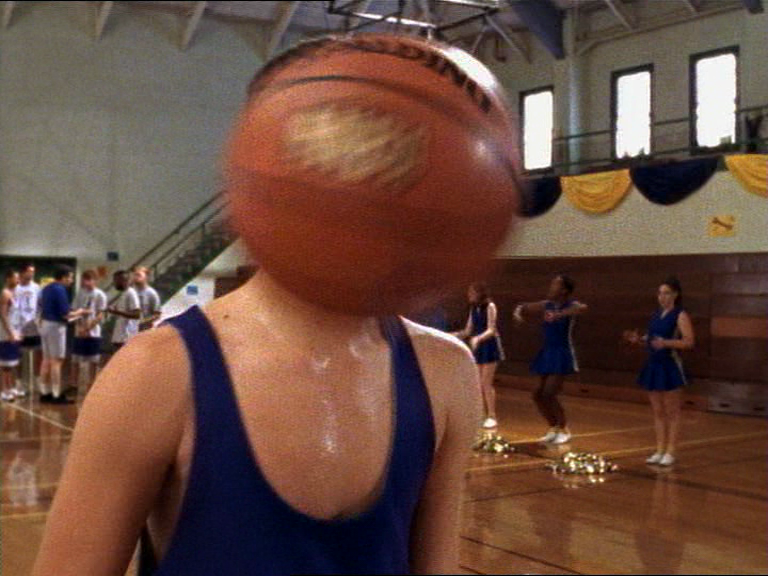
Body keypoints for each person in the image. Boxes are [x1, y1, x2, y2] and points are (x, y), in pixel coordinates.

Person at [624, 277, 694, 467]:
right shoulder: (656, 314)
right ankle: (660, 449)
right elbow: (652, 338)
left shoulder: (680, 314)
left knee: (672, 411)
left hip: (670, 365)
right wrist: (639, 339)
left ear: (675, 295)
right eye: (660, 293)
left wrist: (666, 343)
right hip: (653, 364)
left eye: (666, 293)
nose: (662, 297)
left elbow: (688, 341)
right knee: (658, 411)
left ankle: (671, 451)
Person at [514, 274, 588, 445]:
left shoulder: (571, 305)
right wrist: (518, 312)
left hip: (562, 352)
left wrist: (560, 314)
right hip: (547, 352)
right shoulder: (546, 304)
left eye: (556, 284)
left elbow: (582, 308)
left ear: (564, 290)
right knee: (537, 394)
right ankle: (553, 427)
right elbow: (524, 307)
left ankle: (564, 429)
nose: (551, 287)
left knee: (549, 393)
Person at [452, 283, 504, 429]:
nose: (469, 294)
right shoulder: (473, 308)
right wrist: (454, 335)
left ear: (480, 293)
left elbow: (491, 329)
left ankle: (492, 416)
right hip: (479, 347)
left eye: (472, 292)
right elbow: (468, 330)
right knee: (477, 383)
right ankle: (479, 414)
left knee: (486, 382)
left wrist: (477, 339)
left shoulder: (490, 306)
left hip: (490, 346)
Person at [39, 265, 86, 405]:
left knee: (46, 359)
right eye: (70, 277)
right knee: (57, 361)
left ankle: (44, 392)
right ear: (64, 277)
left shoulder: (46, 288)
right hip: (56, 326)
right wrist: (81, 312)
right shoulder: (60, 289)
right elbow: (66, 314)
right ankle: (56, 394)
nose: (71, 280)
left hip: (45, 324)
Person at [71, 270, 108, 398]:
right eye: (84, 279)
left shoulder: (100, 295)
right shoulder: (80, 294)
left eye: (89, 279)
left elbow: (100, 314)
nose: (86, 282)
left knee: (93, 361)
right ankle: (74, 386)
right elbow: (75, 311)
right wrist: (80, 327)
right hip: (79, 332)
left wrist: (88, 328)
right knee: (75, 360)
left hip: (93, 332)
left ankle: (91, 386)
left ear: (95, 280)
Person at [14, 263, 41, 398]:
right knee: (19, 357)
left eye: (33, 272)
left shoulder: (36, 287)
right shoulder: (16, 288)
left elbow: (40, 304)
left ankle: (36, 383)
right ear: (22, 272)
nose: (32, 274)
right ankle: (20, 384)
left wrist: (39, 319)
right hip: (19, 327)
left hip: (34, 326)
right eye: (29, 271)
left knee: (37, 355)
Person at [1, 270, 22, 402]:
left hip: (15, 331)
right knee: (5, 364)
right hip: (6, 333)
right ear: (8, 279)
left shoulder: (15, 293)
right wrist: (10, 333)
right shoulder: (5, 293)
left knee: (13, 363)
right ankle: (4, 390)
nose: (18, 280)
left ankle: (11, 387)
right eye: (15, 278)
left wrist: (18, 331)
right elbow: (3, 315)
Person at [108, 270, 141, 352]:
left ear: (122, 280)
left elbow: (137, 314)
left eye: (115, 281)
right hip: (120, 336)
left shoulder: (131, 293)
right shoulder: (124, 293)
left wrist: (116, 312)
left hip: (126, 337)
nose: (114, 283)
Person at [133, 267, 162, 332]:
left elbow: (157, 315)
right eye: (135, 275)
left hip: (146, 331)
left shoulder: (151, 293)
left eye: (139, 275)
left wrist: (143, 322)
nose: (135, 277)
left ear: (146, 277)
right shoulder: (130, 293)